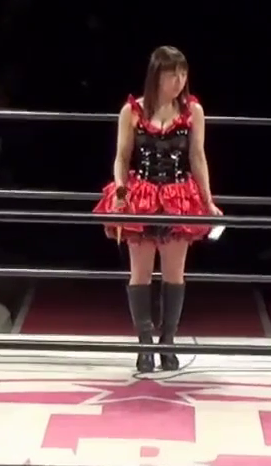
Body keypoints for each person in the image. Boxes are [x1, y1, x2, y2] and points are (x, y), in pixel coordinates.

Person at [92, 46, 220, 373]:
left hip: (178, 196)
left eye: (183, 74)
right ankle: (145, 344)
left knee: (175, 273)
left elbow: (198, 158)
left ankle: (168, 342)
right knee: (140, 272)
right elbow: (122, 158)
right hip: (142, 194)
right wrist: (121, 193)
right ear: (156, 76)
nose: (179, 80)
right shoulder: (131, 111)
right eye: (172, 74)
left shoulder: (193, 111)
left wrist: (207, 201)